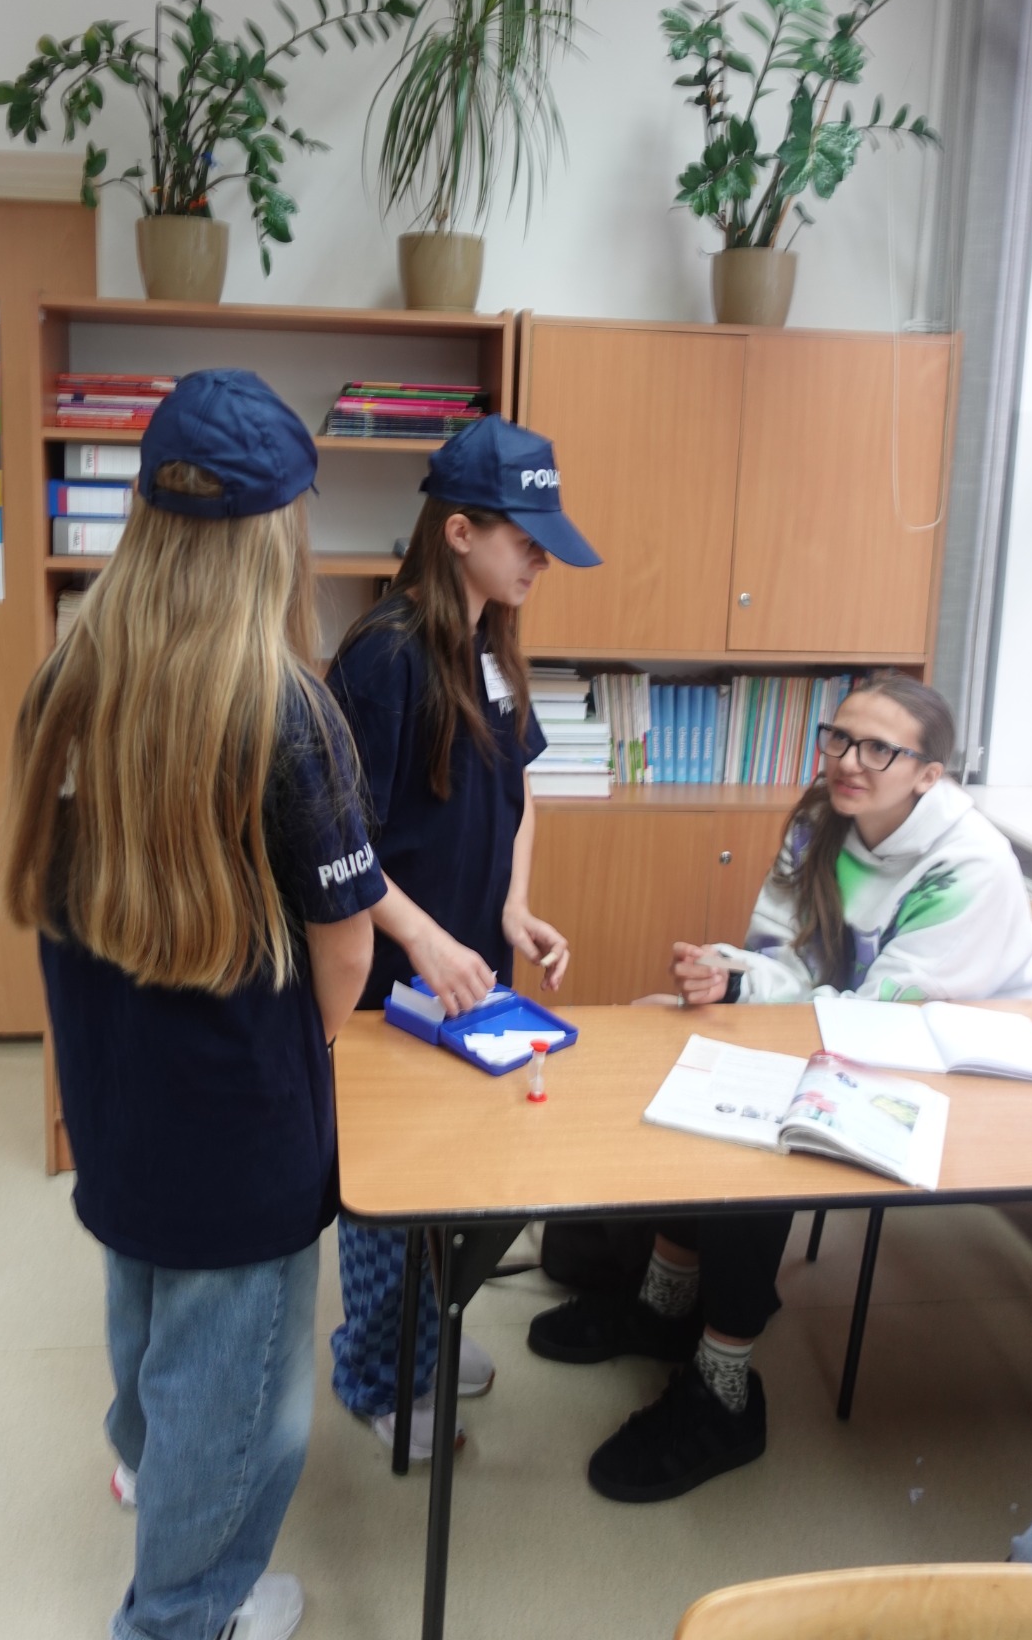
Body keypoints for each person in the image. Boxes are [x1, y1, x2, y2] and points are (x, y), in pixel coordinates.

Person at [0, 370, 385, 1640]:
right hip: (242, 1131)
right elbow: (343, 952)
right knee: (245, 1403)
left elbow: (54, 896)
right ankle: (180, 1611)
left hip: (115, 1097)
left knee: (146, 1306)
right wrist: (299, 1068)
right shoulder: (289, 714)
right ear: (279, 533)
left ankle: (145, 1471)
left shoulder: (67, 678)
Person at [528, 673, 1032, 1504]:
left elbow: (890, 1008)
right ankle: (665, 1303)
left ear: (929, 775)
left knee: (765, 1133)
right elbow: (784, 955)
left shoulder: (969, 865)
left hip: (956, 1071)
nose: (848, 760)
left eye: (879, 749)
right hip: (843, 1032)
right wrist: (726, 979)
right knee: (692, 1059)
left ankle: (724, 1389)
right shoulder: (820, 820)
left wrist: (754, 1001)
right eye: (838, 738)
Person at [326, 413, 600, 1457]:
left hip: (468, 971)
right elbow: (335, 840)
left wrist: (510, 909)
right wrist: (425, 937)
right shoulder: (384, 657)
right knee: (392, 1188)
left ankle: (424, 1342)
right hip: (391, 974)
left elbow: (520, 795)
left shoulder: (492, 647)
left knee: (454, 1171)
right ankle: (376, 1373)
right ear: (456, 532)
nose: (540, 559)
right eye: (523, 539)